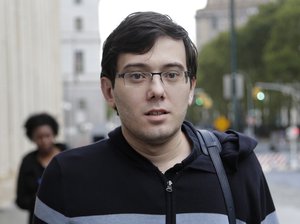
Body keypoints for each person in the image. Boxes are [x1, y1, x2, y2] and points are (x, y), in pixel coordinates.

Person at [33, 12, 278, 224]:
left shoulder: (237, 166)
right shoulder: (67, 177)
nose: (157, 90)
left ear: (191, 88)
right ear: (109, 91)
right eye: (137, 75)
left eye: (171, 74)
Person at [16, 113, 67, 224]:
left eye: (47, 136)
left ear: (54, 134)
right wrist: (39, 200)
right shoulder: (27, 162)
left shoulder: (68, 155)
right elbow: (20, 199)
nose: (44, 141)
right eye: (39, 137)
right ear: (32, 137)